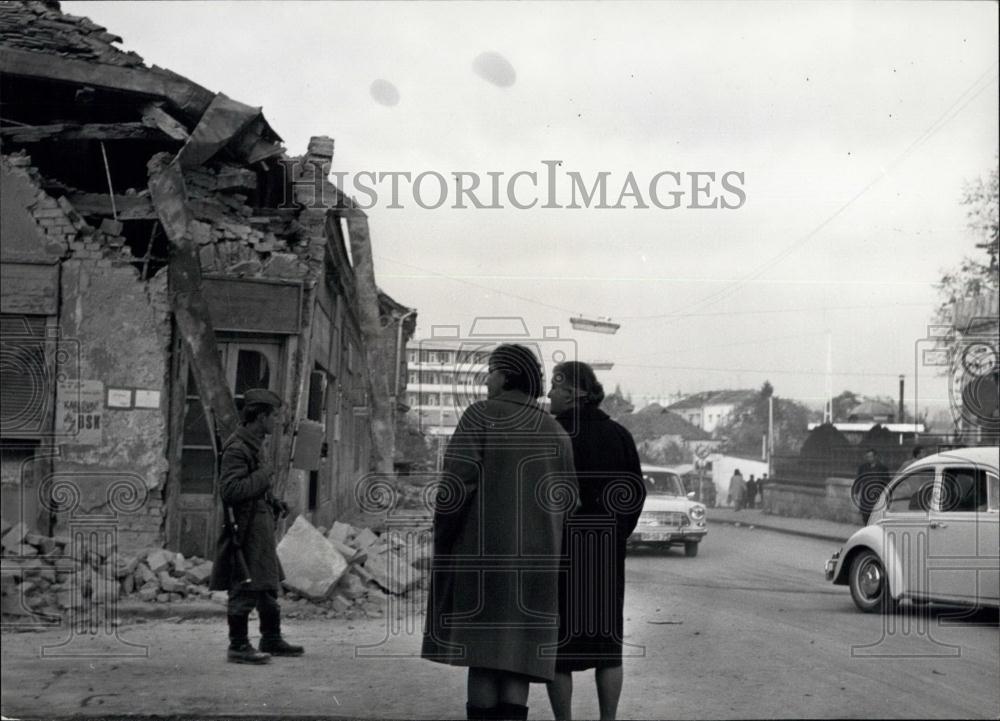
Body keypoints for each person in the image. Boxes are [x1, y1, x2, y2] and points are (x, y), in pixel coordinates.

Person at [422, 344, 577, 721]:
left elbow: (455, 489)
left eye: (491, 371)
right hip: (538, 568)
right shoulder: (556, 431)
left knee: (483, 659)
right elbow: (569, 503)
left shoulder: (481, 416)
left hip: (485, 561)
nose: (487, 379)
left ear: (507, 376)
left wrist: (444, 538)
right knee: (516, 660)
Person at [545, 362, 646, 721]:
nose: (549, 394)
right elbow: (634, 494)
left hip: (560, 553)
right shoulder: (619, 435)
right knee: (607, 647)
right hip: (604, 552)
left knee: (559, 650)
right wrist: (617, 534)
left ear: (574, 391)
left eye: (555, 388)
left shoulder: (553, 435)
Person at [208, 388, 302, 664]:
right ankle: (238, 645)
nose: (277, 422)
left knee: (267, 584)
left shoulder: (254, 443)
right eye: (274, 416)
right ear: (260, 416)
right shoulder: (238, 448)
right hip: (245, 530)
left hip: (259, 525)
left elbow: (254, 488)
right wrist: (264, 476)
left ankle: (270, 638)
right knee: (245, 584)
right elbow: (231, 490)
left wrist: (273, 502)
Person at [851, 448, 891, 525]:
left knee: (876, 516)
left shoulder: (882, 468)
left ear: (876, 457)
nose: (869, 458)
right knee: (865, 516)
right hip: (865, 496)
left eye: (870, 456)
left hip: (877, 495)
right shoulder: (863, 467)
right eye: (867, 457)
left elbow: (886, 482)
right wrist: (856, 492)